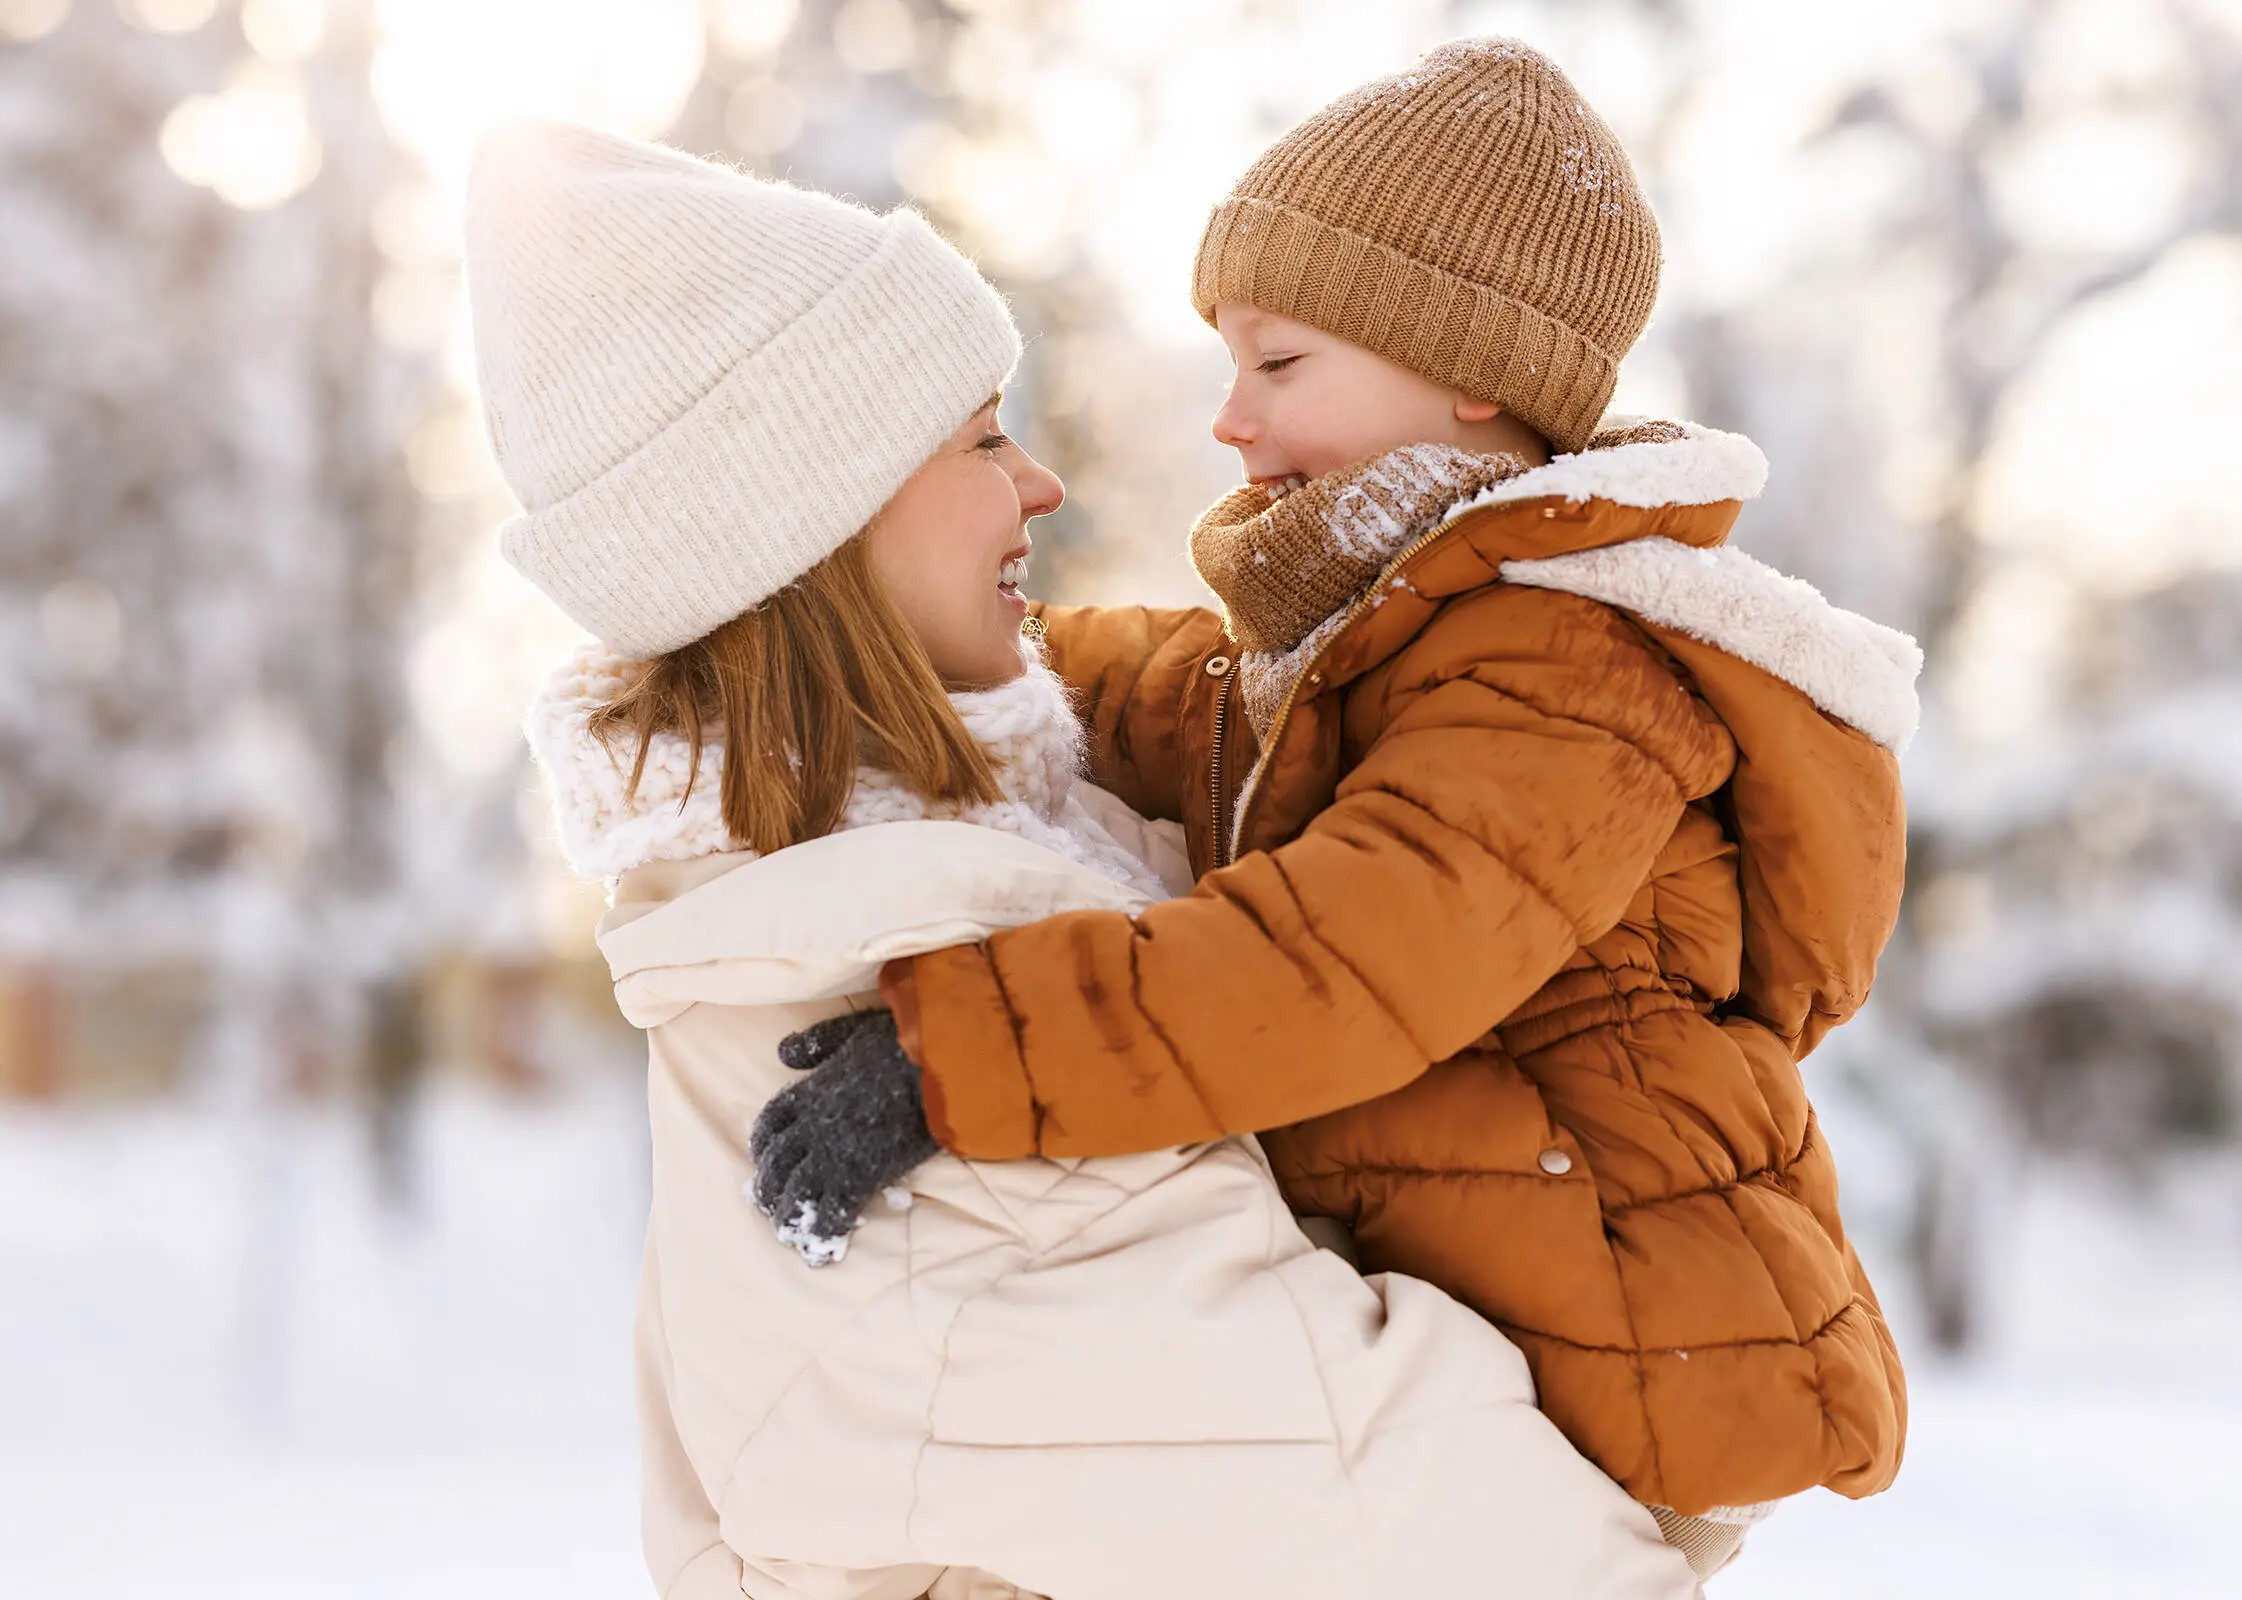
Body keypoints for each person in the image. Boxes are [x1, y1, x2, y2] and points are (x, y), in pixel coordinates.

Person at [466, 120, 1701, 1600]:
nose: (1041, 482)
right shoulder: (908, 981)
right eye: (983, 437)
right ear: (824, 517)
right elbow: (1520, 1554)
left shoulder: (876, 898)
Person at [755, 40, 1917, 1580]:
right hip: (1497, 1317)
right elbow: (1152, 690)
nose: (1230, 419)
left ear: (1470, 373)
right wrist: (894, 642)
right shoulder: (1363, 646)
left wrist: (955, 1048)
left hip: (1625, 1361)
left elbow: (1346, 959)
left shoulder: (1566, 668)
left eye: (1279, 364)